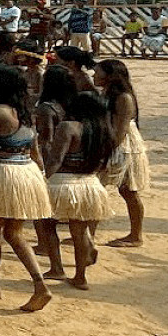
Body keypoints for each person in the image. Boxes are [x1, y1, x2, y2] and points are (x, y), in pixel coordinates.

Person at [0, 64, 55, 308]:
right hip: (25, 173)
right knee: (14, 233)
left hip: (2, 175)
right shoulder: (24, 112)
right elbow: (36, 152)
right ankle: (39, 283)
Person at [43, 90, 116, 293]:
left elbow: (56, 159)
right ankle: (80, 276)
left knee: (47, 225)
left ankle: (56, 268)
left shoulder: (68, 127)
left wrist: (41, 180)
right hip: (90, 184)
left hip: (62, 183)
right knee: (79, 231)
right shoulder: (104, 130)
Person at [96, 59, 150, 248]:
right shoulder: (108, 93)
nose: (95, 76)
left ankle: (136, 236)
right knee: (99, 187)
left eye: (98, 73)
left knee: (128, 190)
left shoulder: (124, 98)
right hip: (112, 140)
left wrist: (106, 152)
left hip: (123, 145)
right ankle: (87, 234)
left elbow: (120, 130)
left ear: (110, 76)